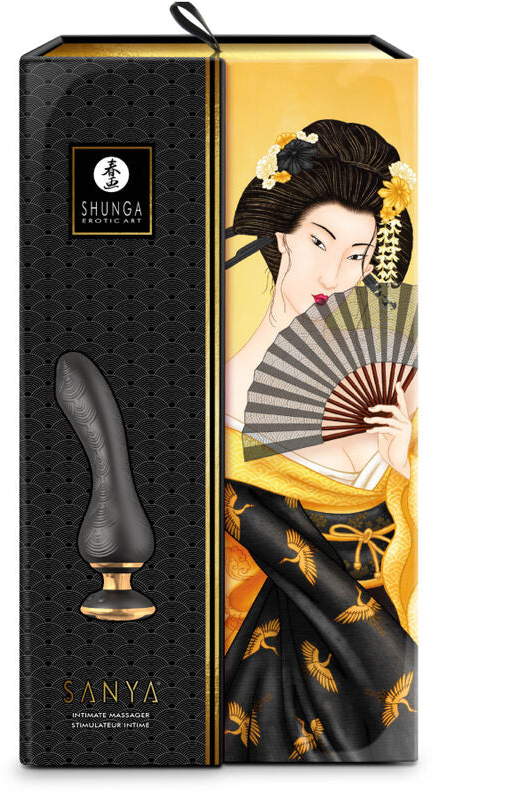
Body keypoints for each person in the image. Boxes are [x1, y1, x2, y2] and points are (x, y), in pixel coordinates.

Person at [223, 119, 417, 762]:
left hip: (393, 644)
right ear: (283, 235)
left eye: (357, 254)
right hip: (274, 653)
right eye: (319, 242)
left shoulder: (396, 380)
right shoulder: (220, 394)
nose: (335, 274)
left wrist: (403, 467)